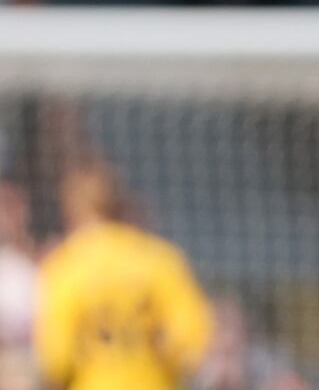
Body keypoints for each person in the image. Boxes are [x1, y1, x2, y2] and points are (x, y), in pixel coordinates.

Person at [34, 163, 214, 390]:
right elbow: (190, 342)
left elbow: (56, 358)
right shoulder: (161, 259)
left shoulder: (65, 266)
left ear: (70, 209)